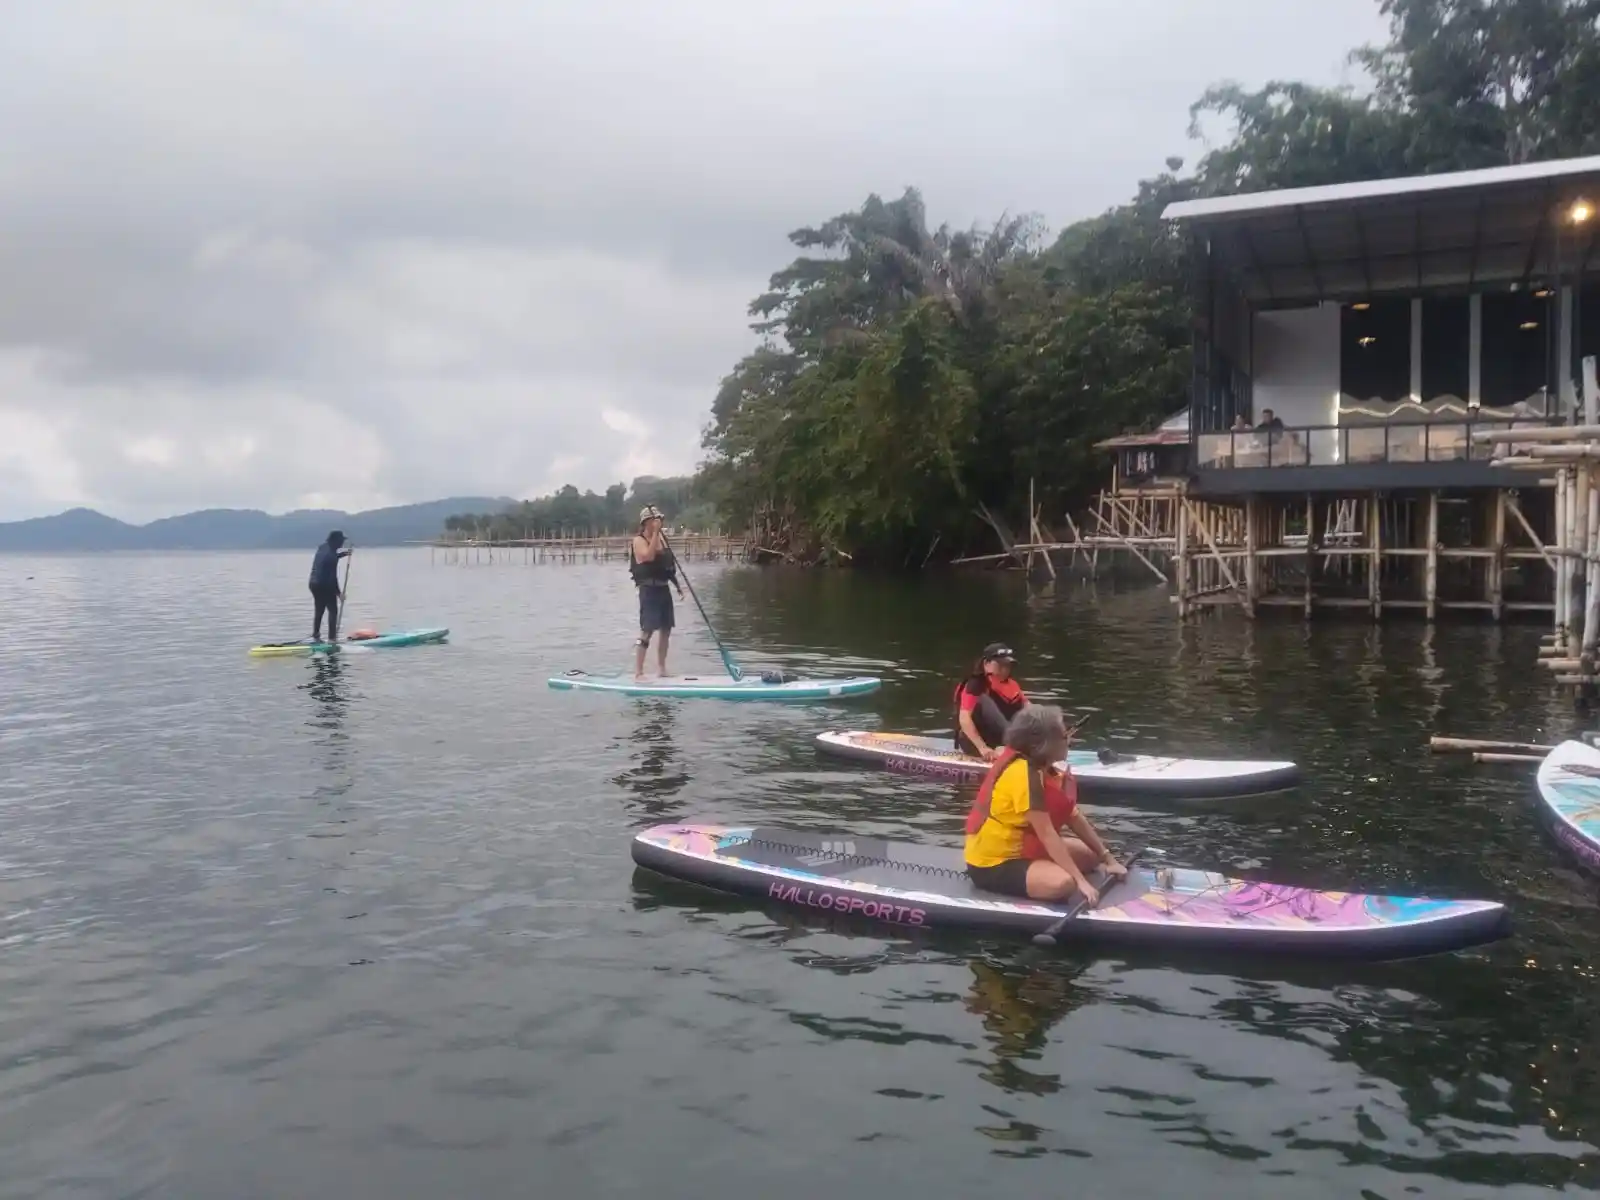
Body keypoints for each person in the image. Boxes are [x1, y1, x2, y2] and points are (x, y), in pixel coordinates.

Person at [964, 704, 1127, 904]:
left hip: (1028, 847)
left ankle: (1047, 868)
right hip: (995, 862)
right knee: (1064, 883)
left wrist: (1108, 859)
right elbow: (1047, 834)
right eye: (1064, 736)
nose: (1069, 739)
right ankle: (1042, 874)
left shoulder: (1045, 769)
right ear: (1043, 744)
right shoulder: (1023, 774)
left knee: (1091, 856)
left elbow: (1073, 816)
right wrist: (1080, 881)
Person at [630, 505, 686, 679]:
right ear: (646, 522)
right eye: (656, 520)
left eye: (660, 520)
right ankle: (638, 672)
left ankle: (661, 668)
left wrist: (678, 586)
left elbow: (667, 565)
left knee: (666, 628)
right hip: (649, 590)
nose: (659, 523)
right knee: (647, 630)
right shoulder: (639, 540)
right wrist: (655, 533)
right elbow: (648, 556)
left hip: (663, 588)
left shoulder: (661, 538)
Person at [953, 643, 1029, 760]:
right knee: (984, 701)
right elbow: (964, 719)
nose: (1005, 670)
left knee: (1033, 715)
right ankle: (1013, 746)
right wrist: (983, 748)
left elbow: (1030, 709)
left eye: (1008, 666)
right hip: (976, 743)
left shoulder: (1012, 685)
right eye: (1000, 665)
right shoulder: (975, 685)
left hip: (1003, 740)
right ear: (986, 664)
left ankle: (1017, 747)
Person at [309, 530, 352, 643]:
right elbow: (332, 578)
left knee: (319, 610)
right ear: (335, 541)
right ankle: (332, 639)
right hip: (325, 585)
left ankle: (316, 635)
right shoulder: (331, 556)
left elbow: (330, 557)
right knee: (333, 611)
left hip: (313, 584)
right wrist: (339, 593)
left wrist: (344, 554)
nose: (342, 543)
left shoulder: (322, 547)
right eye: (341, 541)